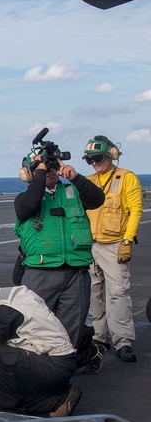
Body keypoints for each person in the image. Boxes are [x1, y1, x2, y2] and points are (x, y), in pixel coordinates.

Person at [14, 149, 104, 370]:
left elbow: (97, 199)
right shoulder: (25, 198)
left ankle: (60, 376)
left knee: (69, 331)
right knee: (32, 326)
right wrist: (40, 172)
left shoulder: (73, 191)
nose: (50, 171)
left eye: (53, 167)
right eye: (44, 168)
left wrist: (74, 177)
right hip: (40, 272)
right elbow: (29, 205)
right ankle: (35, 371)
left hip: (77, 272)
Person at [0, 284, 80, 417]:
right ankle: (58, 398)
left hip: (54, 365)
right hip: (54, 362)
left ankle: (12, 416)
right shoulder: (9, 298)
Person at [83, 135, 142, 364]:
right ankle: (99, 336)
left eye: (97, 158)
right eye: (89, 160)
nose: (94, 163)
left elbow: (136, 210)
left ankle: (123, 341)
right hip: (91, 246)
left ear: (111, 155)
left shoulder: (126, 178)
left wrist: (127, 242)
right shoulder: (88, 181)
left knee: (117, 294)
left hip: (115, 243)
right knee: (93, 293)